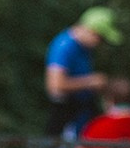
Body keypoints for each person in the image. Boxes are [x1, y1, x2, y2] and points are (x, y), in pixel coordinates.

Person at [44, 7, 121, 140]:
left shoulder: (84, 49)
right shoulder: (64, 45)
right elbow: (55, 85)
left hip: (81, 113)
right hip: (66, 114)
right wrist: (91, 82)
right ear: (91, 31)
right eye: (100, 38)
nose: (100, 44)